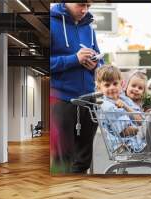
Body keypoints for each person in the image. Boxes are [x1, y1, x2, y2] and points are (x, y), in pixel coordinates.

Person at [50, 2, 103, 174]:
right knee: (63, 160)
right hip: (62, 100)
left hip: (88, 101)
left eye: (88, 5)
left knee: (83, 161)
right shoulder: (50, 23)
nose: (84, 10)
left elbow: (100, 61)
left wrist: (96, 64)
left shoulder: (89, 28)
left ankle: (77, 196)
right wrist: (74, 59)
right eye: (81, 4)